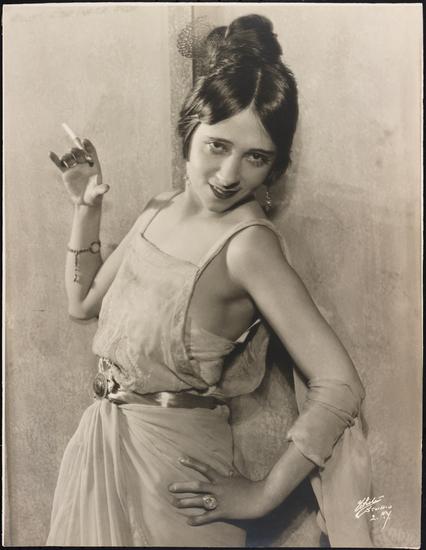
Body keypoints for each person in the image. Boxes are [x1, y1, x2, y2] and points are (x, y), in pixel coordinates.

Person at [47, 14, 372, 548]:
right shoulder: (159, 207)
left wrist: (263, 495)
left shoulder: (249, 246)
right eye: (217, 146)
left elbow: (341, 385)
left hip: (180, 486)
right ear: (189, 132)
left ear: (275, 169)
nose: (228, 176)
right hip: (99, 452)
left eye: (256, 158)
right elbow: (82, 303)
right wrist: (86, 210)